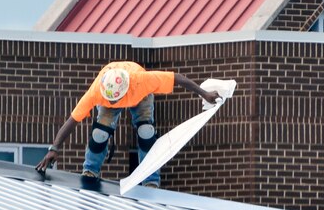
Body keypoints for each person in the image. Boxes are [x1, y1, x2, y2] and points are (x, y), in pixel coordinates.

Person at [34, 61, 221, 188]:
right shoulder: (97, 92)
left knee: (146, 131)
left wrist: (204, 93)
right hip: (111, 88)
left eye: (116, 101)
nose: (115, 105)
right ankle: (90, 170)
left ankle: (150, 180)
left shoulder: (142, 81)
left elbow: (177, 78)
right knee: (100, 133)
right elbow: (73, 120)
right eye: (111, 101)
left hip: (139, 96)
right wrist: (54, 148)